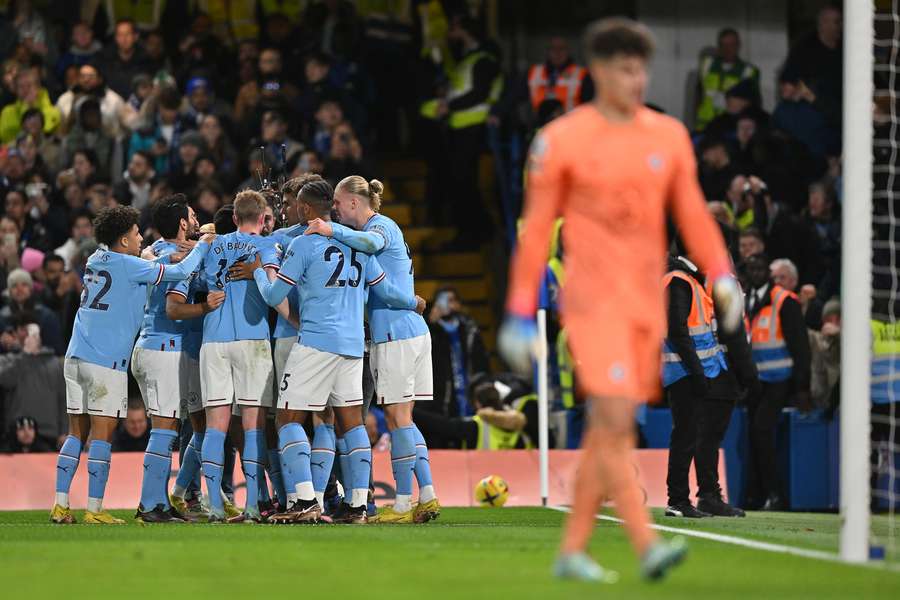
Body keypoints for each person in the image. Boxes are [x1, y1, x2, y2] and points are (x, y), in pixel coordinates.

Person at [498, 19, 742, 582]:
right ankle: (645, 543)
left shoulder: (667, 136)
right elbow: (536, 232)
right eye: (625, 69)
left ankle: (573, 551)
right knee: (612, 416)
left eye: (642, 69)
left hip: (642, 303)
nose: (637, 79)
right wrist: (516, 310)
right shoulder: (561, 140)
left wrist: (722, 273)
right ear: (599, 72)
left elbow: (692, 212)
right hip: (592, 299)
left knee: (613, 427)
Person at [251, 179, 424, 525]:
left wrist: (259, 272)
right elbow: (384, 290)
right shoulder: (357, 245)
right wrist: (413, 301)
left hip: (315, 342)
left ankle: (303, 500)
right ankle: (359, 505)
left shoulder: (303, 245)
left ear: (303, 209)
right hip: (353, 345)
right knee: (351, 423)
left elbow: (273, 297)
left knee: (287, 417)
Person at [49, 205, 213, 525]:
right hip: (105, 361)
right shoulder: (129, 265)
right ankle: (95, 510)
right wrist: (203, 246)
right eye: (136, 234)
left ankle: (60, 505)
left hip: (75, 355)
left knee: (74, 433)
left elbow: (143, 262)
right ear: (123, 240)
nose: (141, 238)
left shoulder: (95, 259)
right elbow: (178, 274)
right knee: (102, 434)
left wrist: (158, 256)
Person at [305, 176, 440, 524]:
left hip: (395, 334)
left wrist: (330, 231)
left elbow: (367, 244)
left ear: (352, 202)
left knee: (397, 419)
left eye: (337, 203)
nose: (333, 209)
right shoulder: (384, 230)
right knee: (405, 420)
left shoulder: (381, 228)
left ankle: (402, 504)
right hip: (409, 332)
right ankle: (426, 494)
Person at [181, 190, 279, 523]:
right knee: (253, 428)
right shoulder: (267, 247)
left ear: (234, 218)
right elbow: (274, 290)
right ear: (263, 219)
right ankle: (253, 506)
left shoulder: (210, 246)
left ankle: (216, 507)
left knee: (215, 428)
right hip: (252, 341)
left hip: (213, 342)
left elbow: (187, 275)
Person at [131, 195, 222, 523]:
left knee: (170, 427)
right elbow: (173, 308)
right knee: (165, 428)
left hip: (156, 346)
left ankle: (162, 501)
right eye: (193, 216)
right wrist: (204, 307)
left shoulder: (156, 249)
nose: (198, 221)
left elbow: (152, 253)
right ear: (183, 223)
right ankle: (150, 505)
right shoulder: (176, 256)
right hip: (163, 346)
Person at [661, 256, 757, 519]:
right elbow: (679, 331)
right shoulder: (683, 281)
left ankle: (695, 497)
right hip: (691, 369)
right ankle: (686, 498)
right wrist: (699, 371)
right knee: (691, 435)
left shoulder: (693, 280)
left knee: (693, 434)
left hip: (699, 367)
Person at [420, 15, 501, 247]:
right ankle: (473, 230)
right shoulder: (465, 59)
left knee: (465, 181)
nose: (449, 33)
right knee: (460, 181)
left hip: (475, 129)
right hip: (459, 127)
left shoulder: (483, 59)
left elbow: (479, 93)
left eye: (454, 28)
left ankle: (478, 231)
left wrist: (449, 105)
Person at [743, 253, 811, 510]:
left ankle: (775, 494)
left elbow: (801, 347)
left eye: (761, 267)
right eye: (752, 267)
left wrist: (802, 387)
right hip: (756, 381)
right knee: (754, 434)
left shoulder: (784, 301)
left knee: (761, 430)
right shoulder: (748, 299)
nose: (757, 271)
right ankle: (757, 493)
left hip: (781, 379)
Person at [0, 315, 66, 449]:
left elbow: (63, 399)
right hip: (16, 434)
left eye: (31, 330)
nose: (27, 334)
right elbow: (5, 381)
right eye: (23, 329)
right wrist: (25, 354)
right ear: (16, 333)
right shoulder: (6, 360)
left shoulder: (55, 363)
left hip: (49, 434)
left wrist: (64, 431)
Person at [426, 286, 490, 418]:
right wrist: (431, 325)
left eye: (453, 300)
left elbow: (481, 362)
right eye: (444, 301)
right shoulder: (428, 330)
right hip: (443, 397)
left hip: (469, 392)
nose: (449, 305)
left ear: (459, 304)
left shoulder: (470, 329)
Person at [695, 28, 759, 132]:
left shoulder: (748, 71)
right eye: (723, 45)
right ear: (719, 47)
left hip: (731, 127)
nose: (727, 49)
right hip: (705, 126)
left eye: (731, 45)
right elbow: (699, 93)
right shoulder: (707, 65)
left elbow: (754, 104)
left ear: (738, 46)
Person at [527, 37, 592, 114]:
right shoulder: (534, 72)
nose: (557, 52)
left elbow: (590, 105)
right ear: (548, 51)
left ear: (568, 51)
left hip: (571, 123)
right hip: (540, 124)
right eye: (553, 48)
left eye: (561, 48)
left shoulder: (582, 74)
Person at [0, 67, 60, 144]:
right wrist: (26, 107)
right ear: (16, 90)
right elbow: (5, 138)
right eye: (21, 87)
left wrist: (31, 107)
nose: (26, 90)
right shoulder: (7, 112)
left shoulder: (53, 111)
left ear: (38, 88)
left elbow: (44, 132)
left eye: (29, 85)